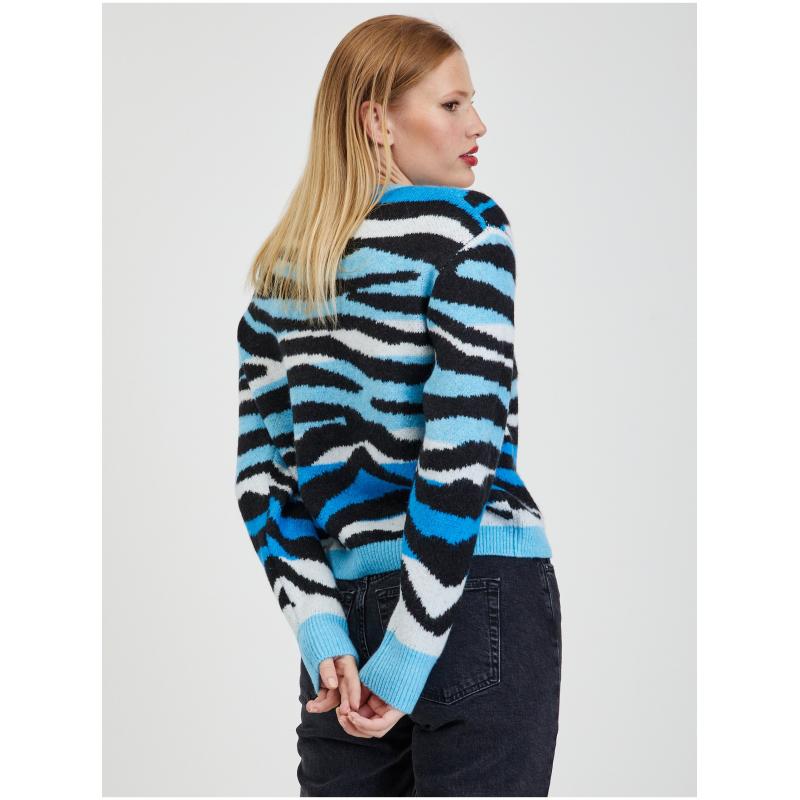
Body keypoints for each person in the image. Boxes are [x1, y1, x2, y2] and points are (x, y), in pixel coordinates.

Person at [234, 14, 562, 797]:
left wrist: (322, 633)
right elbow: (461, 455)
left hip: (345, 624)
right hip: (475, 592)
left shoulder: (280, 280)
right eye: (451, 104)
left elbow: (264, 484)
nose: (477, 125)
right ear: (377, 120)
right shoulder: (468, 233)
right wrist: (412, 652)